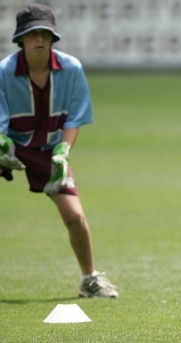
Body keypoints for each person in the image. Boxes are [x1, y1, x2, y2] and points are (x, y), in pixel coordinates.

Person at [0, 4, 118, 298]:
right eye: (32, 34)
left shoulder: (71, 68)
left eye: (45, 33)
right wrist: (3, 145)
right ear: (21, 40)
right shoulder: (3, 72)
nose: (39, 39)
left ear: (52, 38)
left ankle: (89, 280)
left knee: (74, 216)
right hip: (10, 143)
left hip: (50, 149)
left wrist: (63, 151)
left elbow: (74, 119)